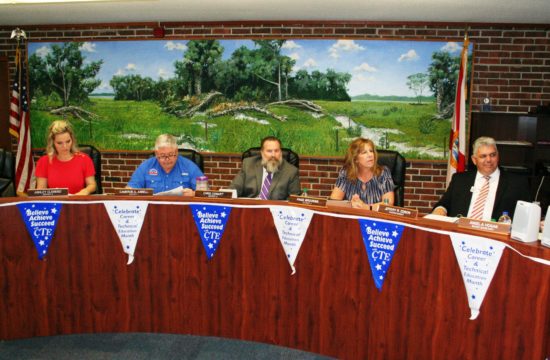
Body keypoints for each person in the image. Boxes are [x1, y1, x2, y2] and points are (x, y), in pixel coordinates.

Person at [432, 136, 531, 220]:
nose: (489, 160)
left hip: (496, 238)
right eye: (483, 156)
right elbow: (444, 203)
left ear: (498, 156)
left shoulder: (517, 183)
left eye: (492, 155)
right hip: (461, 235)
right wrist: (440, 209)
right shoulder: (460, 180)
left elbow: (527, 217)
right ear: (474, 160)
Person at [127, 134, 204, 195]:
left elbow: (205, 193)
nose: (167, 159)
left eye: (171, 155)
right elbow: (129, 190)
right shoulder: (146, 166)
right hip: (153, 211)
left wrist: (193, 194)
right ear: (156, 154)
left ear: (176, 152)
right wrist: (130, 190)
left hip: (182, 211)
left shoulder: (190, 166)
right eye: (163, 156)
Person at [330, 137, 395, 209]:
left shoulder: (383, 173)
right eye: (364, 152)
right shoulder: (346, 173)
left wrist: (366, 207)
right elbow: (333, 202)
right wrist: (350, 205)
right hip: (353, 218)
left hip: (375, 219)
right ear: (355, 159)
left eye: (371, 151)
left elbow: (388, 204)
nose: (370, 155)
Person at [35, 120, 97, 195]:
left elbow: (92, 185)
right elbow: (41, 191)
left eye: (68, 141)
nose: (65, 146)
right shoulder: (44, 161)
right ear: (53, 143)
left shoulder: (84, 159)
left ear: (72, 140)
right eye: (59, 143)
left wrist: (85, 191)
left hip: (77, 202)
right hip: (55, 204)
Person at [230, 136, 300, 200]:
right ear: (262, 152)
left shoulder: (291, 171)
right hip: (249, 208)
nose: (273, 155)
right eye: (269, 151)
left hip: (274, 211)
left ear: (280, 152)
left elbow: (294, 200)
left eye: (276, 151)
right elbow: (234, 188)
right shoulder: (248, 164)